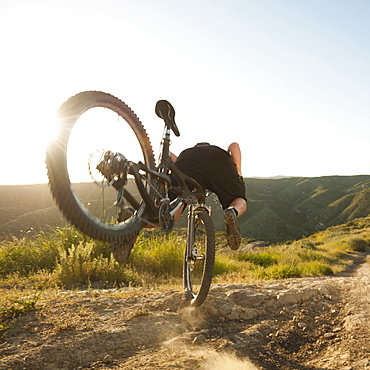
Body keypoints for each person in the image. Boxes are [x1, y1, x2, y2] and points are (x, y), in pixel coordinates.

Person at [111, 142, 247, 263]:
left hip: (186, 166)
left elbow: (169, 156)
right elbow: (234, 146)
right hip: (218, 162)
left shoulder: (187, 154)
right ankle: (232, 211)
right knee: (238, 198)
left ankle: (134, 222)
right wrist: (238, 171)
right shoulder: (216, 151)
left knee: (167, 215)